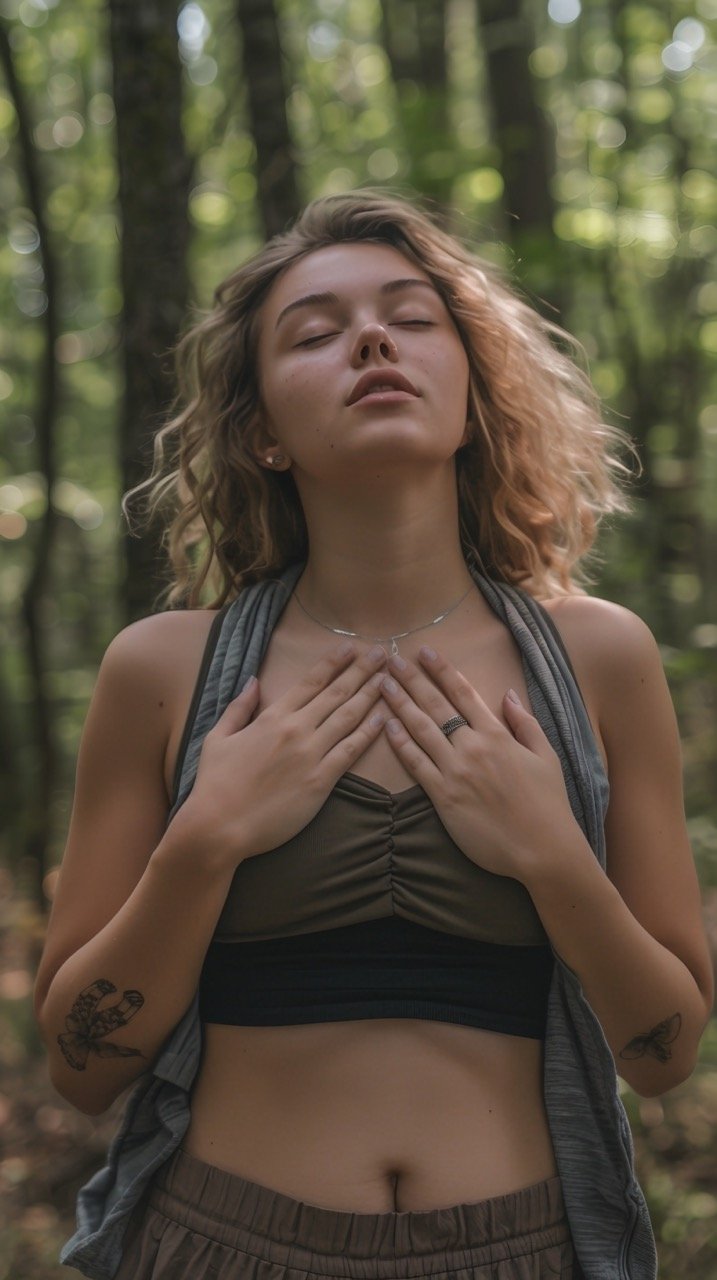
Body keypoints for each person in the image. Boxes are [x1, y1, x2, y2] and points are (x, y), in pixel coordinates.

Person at [35, 189, 712, 1280]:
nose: (372, 338)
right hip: (222, 1245)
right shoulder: (163, 671)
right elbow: (79, 1063)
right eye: (315, 331)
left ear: (470, 386)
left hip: (525, 1250)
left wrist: (550, 851)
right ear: (262, 433)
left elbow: (667, 1053)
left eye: (412, 316)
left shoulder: (602, 659)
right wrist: (205, 839)